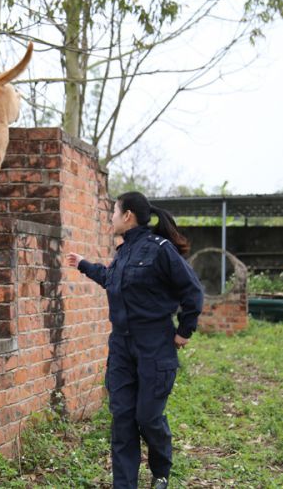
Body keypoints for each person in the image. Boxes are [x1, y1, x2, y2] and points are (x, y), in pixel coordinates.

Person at [66, 191, 204, 489]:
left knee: (148, 417)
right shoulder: (123, 251)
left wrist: (184, 330)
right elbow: (111, 280)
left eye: (114, 212)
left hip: (155, 345)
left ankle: (161, 470)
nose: (111, 218)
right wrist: (84, 264)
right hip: (121, 347)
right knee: (123, 418)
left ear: (127, 215)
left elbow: (192, 292)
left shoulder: (160, 249)